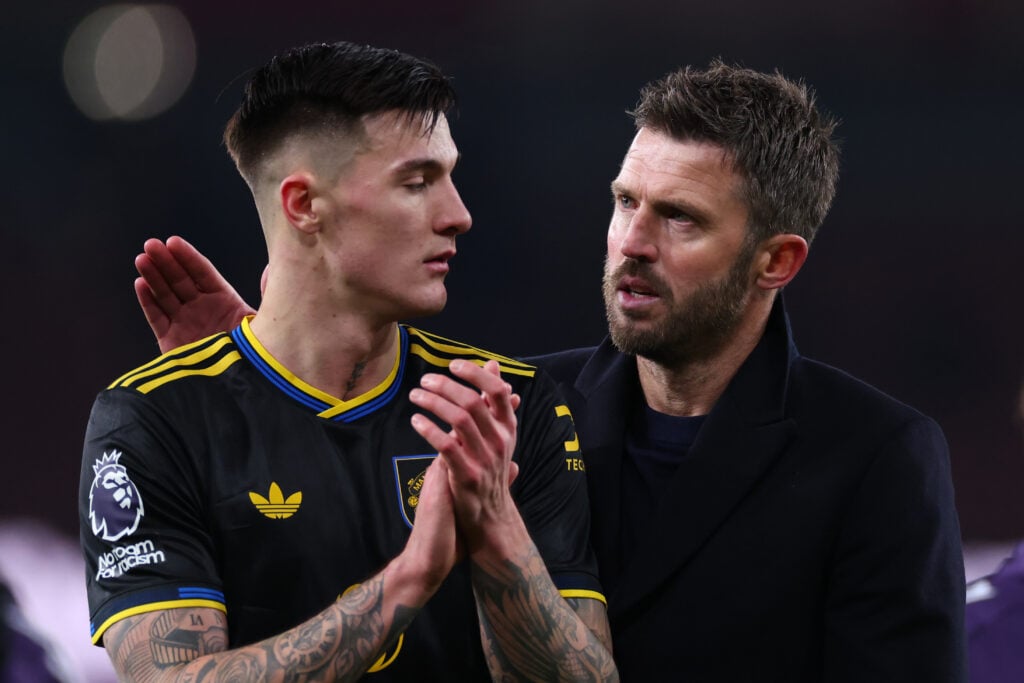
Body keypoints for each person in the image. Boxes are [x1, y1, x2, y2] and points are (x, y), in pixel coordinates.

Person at [134, 61, 966, 681]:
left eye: (679, 218)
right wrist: (261, 396)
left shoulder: (875, 458)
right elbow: (355, 606)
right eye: (625, 202)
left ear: (775, 260)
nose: (632, 243)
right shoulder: (513, 404)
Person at [80, 41, 617, 682]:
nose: (459, 216)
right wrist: (408, 580)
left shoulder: (503, 410)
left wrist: (497, 530)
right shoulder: (154, 419)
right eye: (417, 183)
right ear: (304, 205)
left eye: (450, 177)